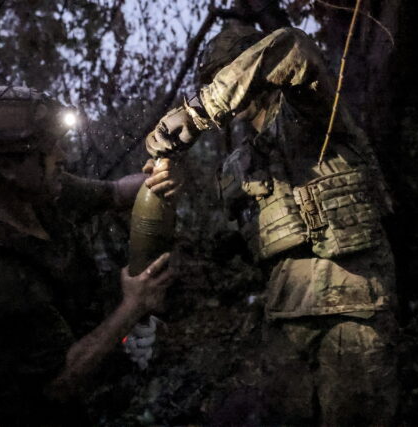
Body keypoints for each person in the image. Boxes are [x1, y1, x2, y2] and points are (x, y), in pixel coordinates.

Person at [146, 24, 399, 425]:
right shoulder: (238, 162)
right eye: (213, 79)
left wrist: (199, 111)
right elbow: (235, 251)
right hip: (285, 322)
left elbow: (293, 48)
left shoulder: (309, 110)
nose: (225, 86)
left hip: (351, 311)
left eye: (228, 75)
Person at [0, 86, 175, 425]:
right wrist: (133, 305)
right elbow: (59, 383)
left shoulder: (37, 193)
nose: (63, 156)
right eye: (50, 149)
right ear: (7, 167)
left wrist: (158, 174)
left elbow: (117, 192)